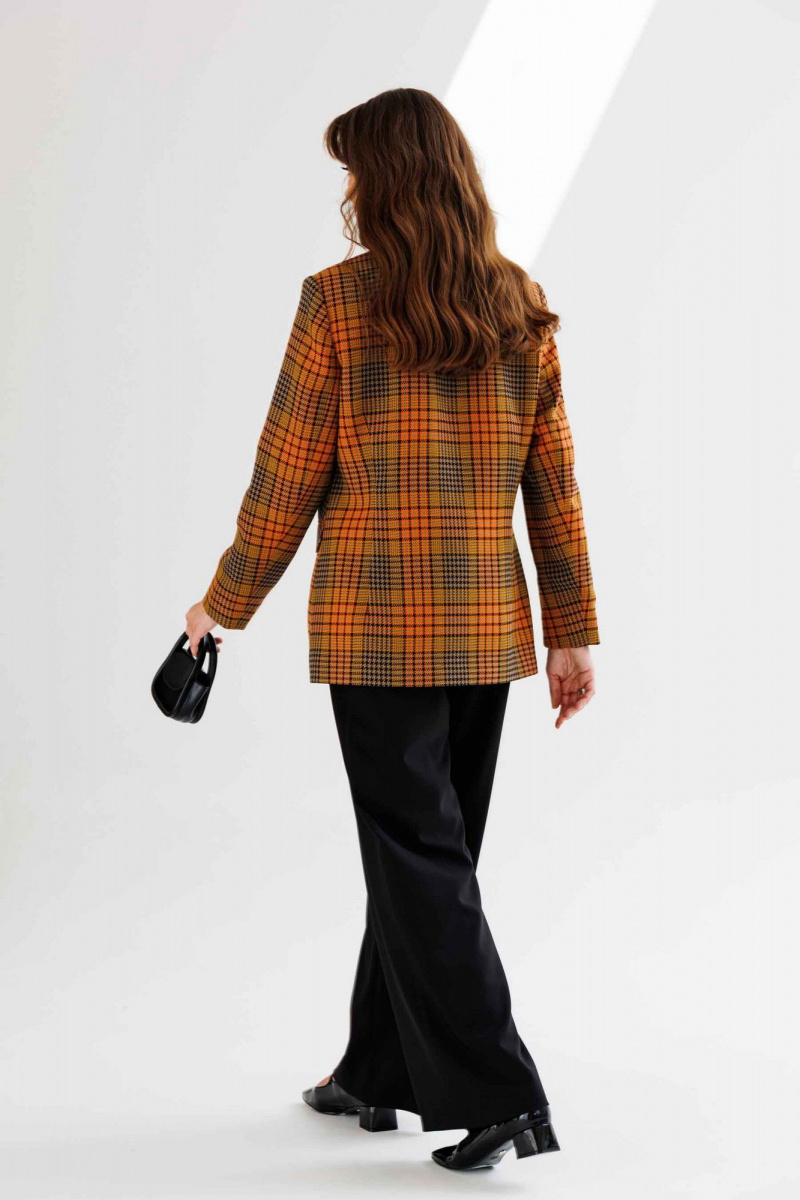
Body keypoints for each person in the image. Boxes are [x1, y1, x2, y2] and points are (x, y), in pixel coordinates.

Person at [185, 87, 599, 1171]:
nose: (349, 192)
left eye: (354, 171)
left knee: (420, 859)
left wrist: (221, 603)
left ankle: (503, 1096)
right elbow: (552, 486)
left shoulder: (337, 303)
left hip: (376, 633)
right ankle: (378, 1071)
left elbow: (285, 475)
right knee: (426, 858)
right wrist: (569, 631)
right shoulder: (517, 301)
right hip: (486, 631)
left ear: (386, 180)